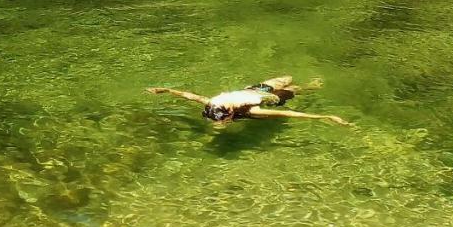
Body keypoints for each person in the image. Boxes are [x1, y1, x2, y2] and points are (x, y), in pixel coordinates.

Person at [146, 76, 352, 127]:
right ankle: (310, 87)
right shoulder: (254, 112)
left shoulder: (215, 103)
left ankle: (310, 87)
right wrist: (327, 116)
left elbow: (189, 95)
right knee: (293, 89)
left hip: (257, 90)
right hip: (273, 99)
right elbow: (290, 113)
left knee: (287, 77)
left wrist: (165, 90)